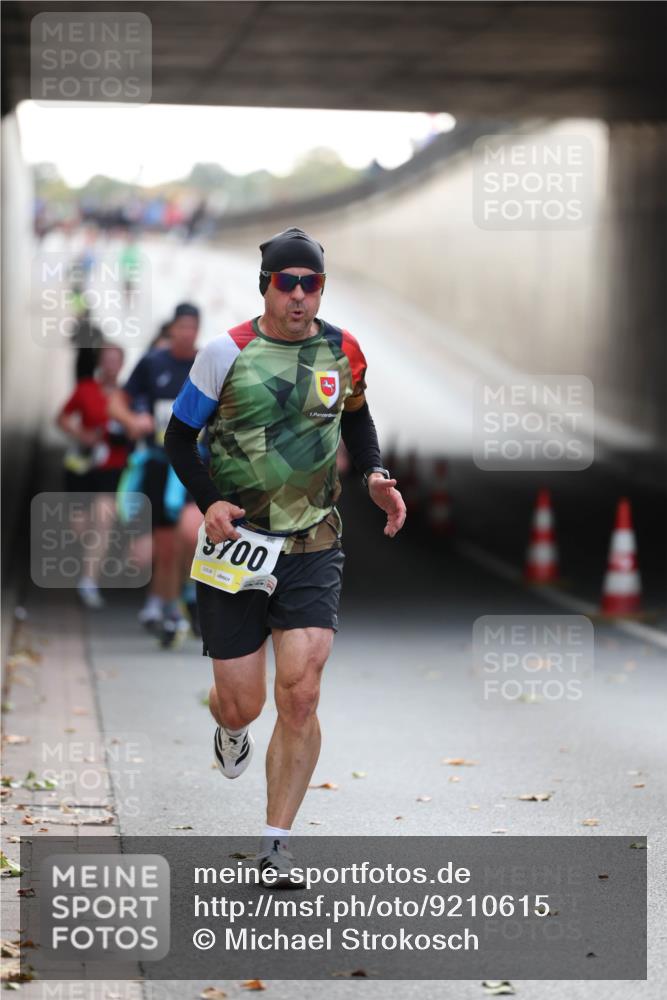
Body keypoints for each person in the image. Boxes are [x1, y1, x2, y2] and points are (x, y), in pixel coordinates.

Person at [164, 227, 406, 886]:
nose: (298, 294)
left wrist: (375, 475)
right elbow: (180, 439)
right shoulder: (227, 352)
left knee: (300, 693)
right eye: (286, 281)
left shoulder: (342, 349)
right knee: (241, 703)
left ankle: (276, 844)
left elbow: (356, 417)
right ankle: (230, 728)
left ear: (320, 288)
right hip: (237, 545)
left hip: (313, 544)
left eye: (311, 282)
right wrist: (209, 501)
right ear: (265, 285)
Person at [108, 302, 201, 645]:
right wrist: (133, 421)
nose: (187, 333)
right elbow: (116, 401)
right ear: (172, 328)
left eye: (193, 327)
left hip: (193, 467)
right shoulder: (152, 364)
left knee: (190, 533)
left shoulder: (205, 365)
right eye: (182, 327)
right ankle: (170, 610)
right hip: (160, 467)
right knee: (162, 550)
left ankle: (187, 594)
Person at [57, 343, 130, 608]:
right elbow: (62, 418)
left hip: (113, 467)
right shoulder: (86, 389)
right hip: (82, 467)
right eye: (107, 360)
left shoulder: (127, 395)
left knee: (104, 518)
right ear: (101, 363)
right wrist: (81, 435)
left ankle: (89, 580)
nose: (111, 366)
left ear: (122, 365)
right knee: (79, 527)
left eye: (116, 360)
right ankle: (95, 557)